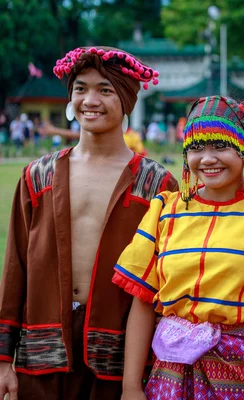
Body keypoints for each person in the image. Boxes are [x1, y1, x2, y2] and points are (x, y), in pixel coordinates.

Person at [0, 46, 178, 400]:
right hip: (43, 353)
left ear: (126, 100)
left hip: (119, 360)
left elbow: (163, 281)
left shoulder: (156, 184)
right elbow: (15, 269)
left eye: (105, 90)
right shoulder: (38, 176)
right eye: (80, 88)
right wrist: (4, 359)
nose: (90, 100)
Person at [114, 95, 244, 400]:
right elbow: (144, 301)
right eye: (196, 148)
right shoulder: (165, 210)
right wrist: (131, 386)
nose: (207, 159)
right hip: (171, 375)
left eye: (221, 146)